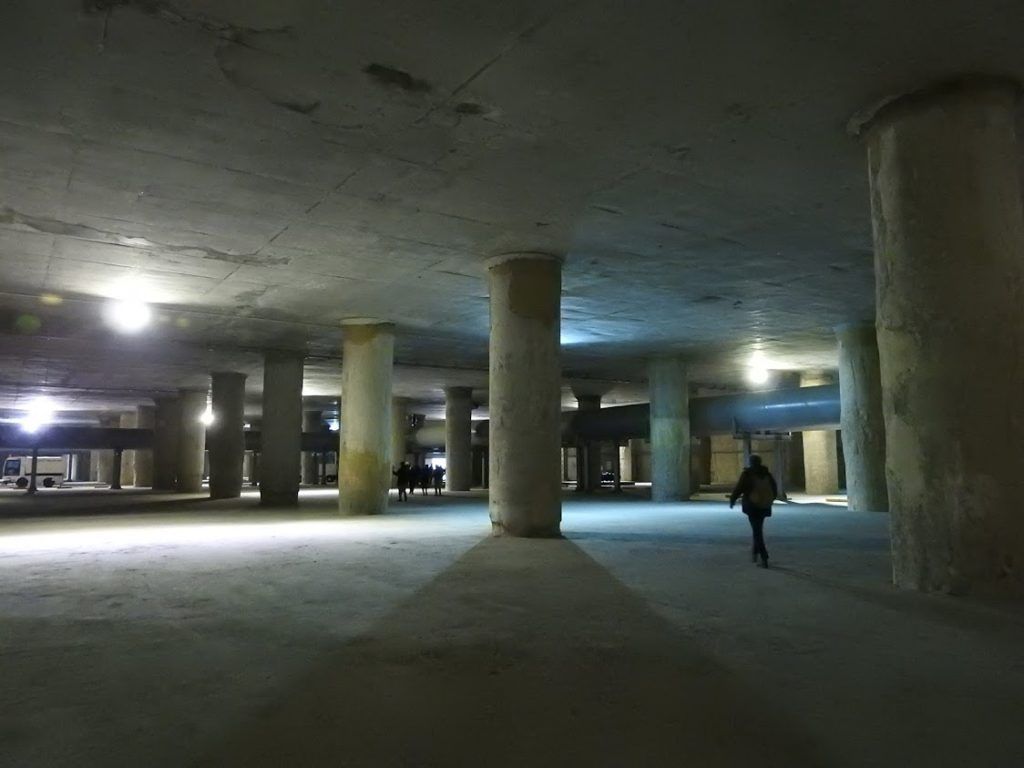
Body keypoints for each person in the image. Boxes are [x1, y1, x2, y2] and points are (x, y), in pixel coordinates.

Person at [729, 454, 778, 568]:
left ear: (751, 462)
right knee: (757, 529)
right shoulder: (767, 474)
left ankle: (764, 556)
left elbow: (739, 488)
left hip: (752, 506)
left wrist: (732, 500)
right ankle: (755, 553)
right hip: (764, 506)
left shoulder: (747, 474)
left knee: (757, 531)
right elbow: (774, 489)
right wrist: (769, 500)